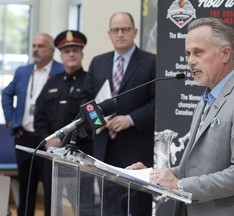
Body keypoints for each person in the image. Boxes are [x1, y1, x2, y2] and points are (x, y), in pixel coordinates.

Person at [127, 17, 234, 216]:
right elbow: (196, 168)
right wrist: (153, 176)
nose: (190, 61)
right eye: (188, 54)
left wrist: (179, 185)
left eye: (198, 52)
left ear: (225, 54)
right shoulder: (205, 100)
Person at [83, 12, 156, 216]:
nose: (121, 34)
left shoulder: (151, 62)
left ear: (135, 32)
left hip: (136, 147)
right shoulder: (98, 62)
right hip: (104, 147)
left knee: (137, 205)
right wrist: (98, 121)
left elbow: (157, 102)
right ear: (109, 33)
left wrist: (130, 119)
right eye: (116, 30)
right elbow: (86, 100)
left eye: (125, 29)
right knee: (108, 205)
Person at [1, 33, 64, 216]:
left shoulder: (61, 71)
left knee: (51, 190)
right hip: (25, 137)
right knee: (26, 187)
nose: (36, 49)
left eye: (41, 46)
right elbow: (7, 94)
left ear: (52, 51)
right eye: (34, 45)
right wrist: (13, 121)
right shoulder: (23, 71)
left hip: (49, 140)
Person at [34, 30, 95, 216]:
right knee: (52, 205)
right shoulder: (52, 84)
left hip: (81, 156)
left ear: (82, 54)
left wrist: (62, 141)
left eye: (75, 50)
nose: (71, 54)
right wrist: (48, 141)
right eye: (66, 50)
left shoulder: (90, 82)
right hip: (53, 157)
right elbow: (39, 116)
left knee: (84, 205)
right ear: (60, 55)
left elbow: (90, 120)